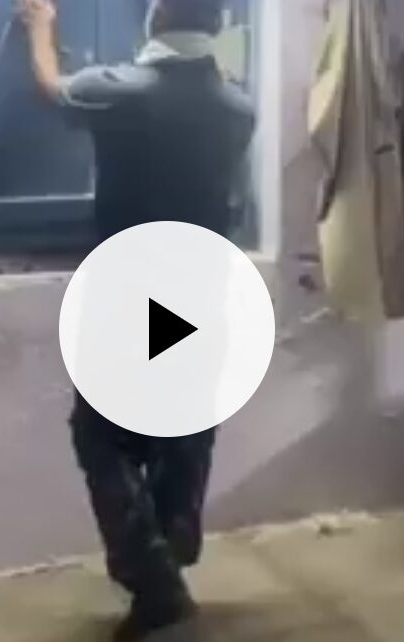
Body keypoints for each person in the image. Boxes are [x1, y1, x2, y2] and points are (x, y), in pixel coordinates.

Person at [17, 1, 255, 640]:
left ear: (158, 17)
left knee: (100, 436)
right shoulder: (238, 107)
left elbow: (51, 88)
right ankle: (171, 547)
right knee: (185, 431)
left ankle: (156, 583)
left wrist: (40, 26)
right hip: (204, 296)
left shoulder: (119, 92)